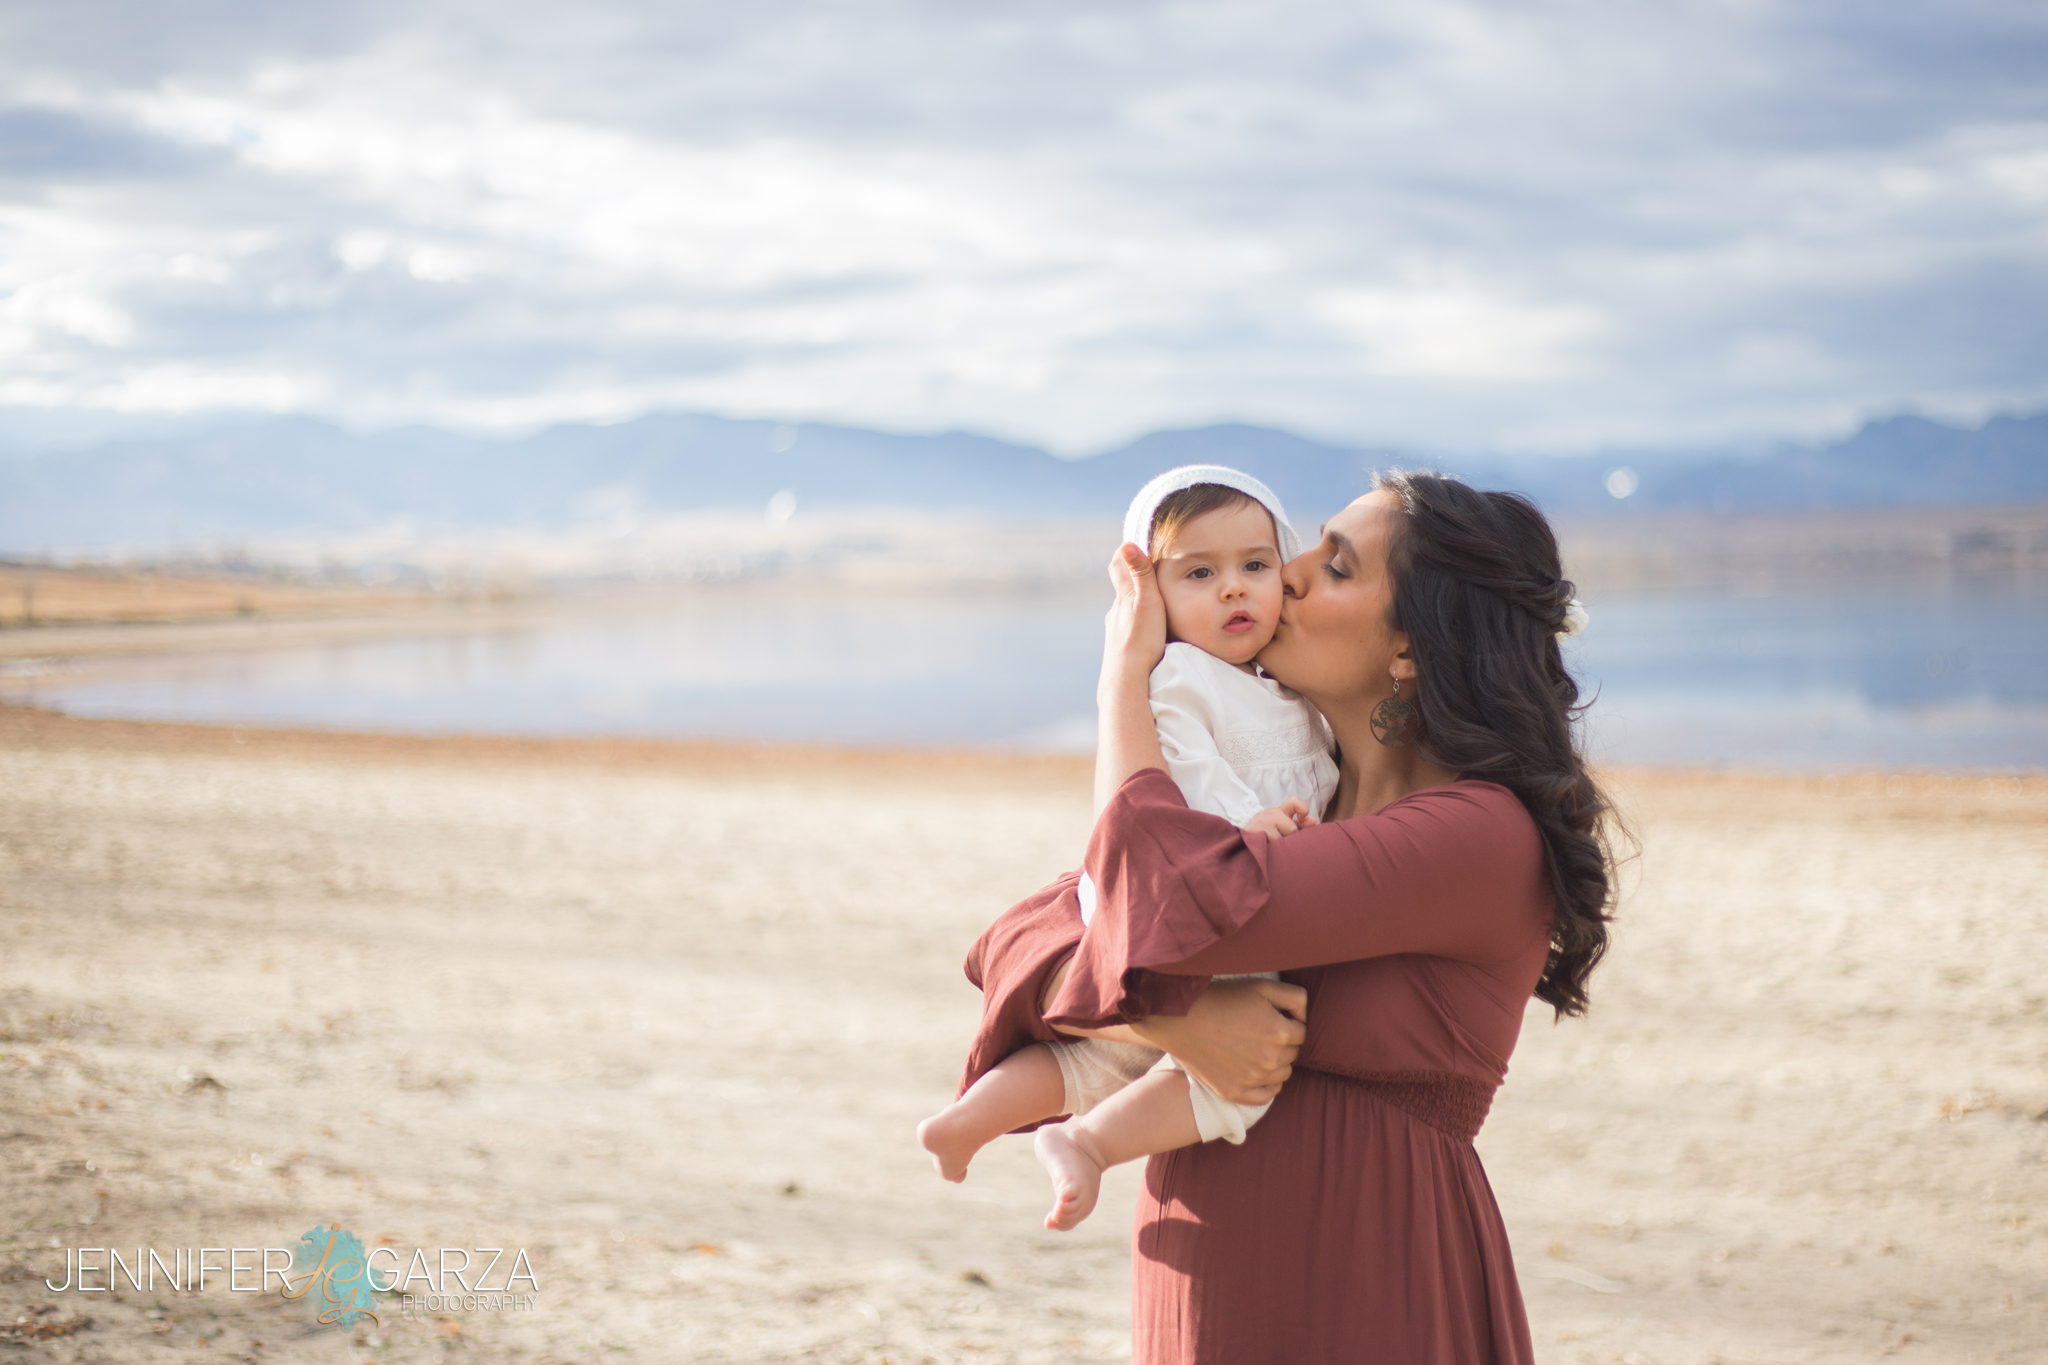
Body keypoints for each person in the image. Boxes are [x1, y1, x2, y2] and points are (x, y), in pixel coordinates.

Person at [949, 471, 1618, 1363]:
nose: (1287, 575)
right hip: (1205, 1266)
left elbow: (1144, 911)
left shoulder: (1477, 835)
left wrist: (1125, 676)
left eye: (1335, 566)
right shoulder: (1289, 808)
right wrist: (1171, 1012)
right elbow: (1028, 939)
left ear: (1412, 646)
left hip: (1371, 1281)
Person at [916, 466, 1340, 1231]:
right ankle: (1086, 1140)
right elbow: (1187, 767)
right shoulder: (1179, 675)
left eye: (1255, 565)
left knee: (1106, 1059)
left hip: (1224, 901)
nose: (1234, 589)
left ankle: (968, 1123)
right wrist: (1249, 822)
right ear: (1150, 594)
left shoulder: (1288, 688)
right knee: (1237, 1075)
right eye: (1200, 573)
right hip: (1191, 889)